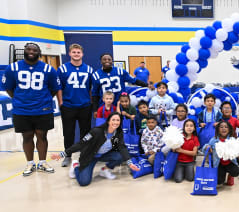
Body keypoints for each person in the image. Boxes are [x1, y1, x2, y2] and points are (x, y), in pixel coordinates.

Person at [2, 43, 60, 176]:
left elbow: (54, 89)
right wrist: (20, 99)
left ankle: (42, 162)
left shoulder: (48, 69)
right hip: (22, 110)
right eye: (29, 49)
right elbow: (9, 88)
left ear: (39, 52)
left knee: (42, 135)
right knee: (27, 136)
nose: (31, 52)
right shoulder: (13, 68)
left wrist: (43, 100)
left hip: (43, 109)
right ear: (24, 51)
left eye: (35, 50)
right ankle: (30, 163)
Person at [51, 112, 140, 186]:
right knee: (84, 182)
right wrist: (62, 154)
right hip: (90, 156)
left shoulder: (118, 133)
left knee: (120, 156)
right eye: (113, 120)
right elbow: (81, 144)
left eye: (118, 120)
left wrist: (129, 163)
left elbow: (122, 147)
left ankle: (104, 170)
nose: (115, 122)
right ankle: (75, 166)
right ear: (108, 121)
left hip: (103, 155)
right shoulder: (96, 131)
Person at [57, 43, 94, 167]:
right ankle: (67, 156)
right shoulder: (62, 69)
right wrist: (61, 102)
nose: (76, 54)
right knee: (68, 133)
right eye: (74, 52)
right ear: (69, 53)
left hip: (84, 105)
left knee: (85, 132)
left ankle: (84, 154)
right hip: (68, 105)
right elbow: (59, 87)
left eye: (78, 52)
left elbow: (90, 88)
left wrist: (90, 102)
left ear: (82, 54)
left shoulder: (89, 69)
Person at [92, 53, 147, 117]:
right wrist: (95, 109)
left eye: (109, 59)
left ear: (112, 61)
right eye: (104, 59)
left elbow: (133, 80)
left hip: (121, 104)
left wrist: (146, 85)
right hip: (106, 105)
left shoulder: (120, 71)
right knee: (105, 125)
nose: (107, 61)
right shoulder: (96, 75)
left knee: (121, 124)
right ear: (101, 61)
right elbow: (95, 94)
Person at [203, 121, 239, 186]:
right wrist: (207, 147)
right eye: (221, 127)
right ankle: (222, 174)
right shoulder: (214, 140)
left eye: (226, 127)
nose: (223, 128)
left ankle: (230, 175)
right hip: (219, 164)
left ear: (229, 130)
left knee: (236, 172)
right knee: (219, 182)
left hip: (230, 162)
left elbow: (237, 150)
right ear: (218, 129)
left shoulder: (232, 139)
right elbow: (205, 148)